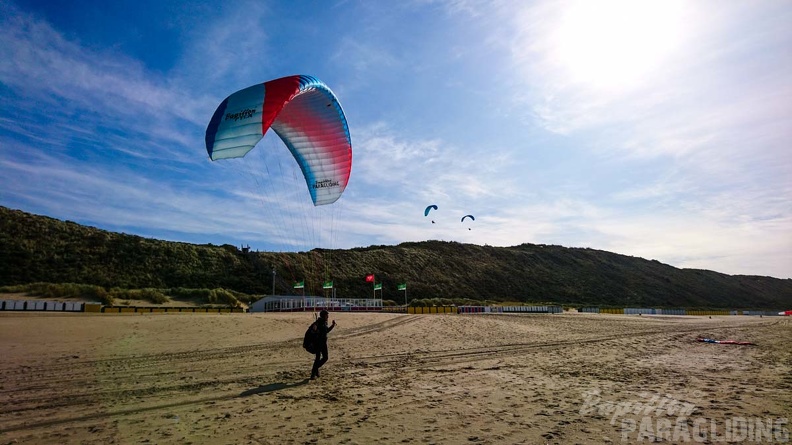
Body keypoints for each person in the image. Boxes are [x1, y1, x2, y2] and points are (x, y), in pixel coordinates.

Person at [310, 310, 336, 380]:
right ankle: (314, 372)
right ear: (324, 316)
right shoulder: (319, 323)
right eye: (327, 315)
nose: (328, 317)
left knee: (321, 358)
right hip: (319, 343)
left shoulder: (322, 322)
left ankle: (315, 371)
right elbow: (324, 331)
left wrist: (333, 325)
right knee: (322, 358)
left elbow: (326, 331)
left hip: (322, 343)